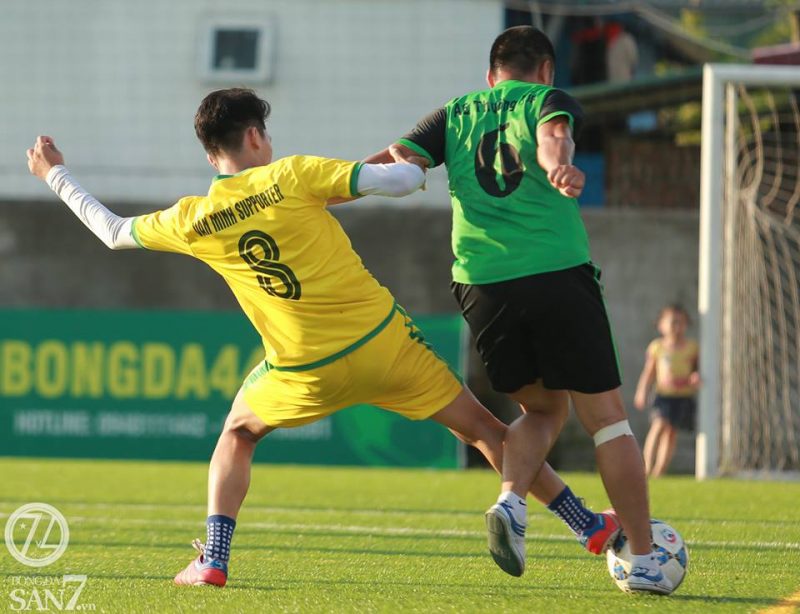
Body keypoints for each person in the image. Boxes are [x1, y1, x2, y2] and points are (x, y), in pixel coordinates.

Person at [27, 88, 616, 588]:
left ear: (213, 156)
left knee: (238, 431)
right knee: (488, 431)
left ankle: (213, 558)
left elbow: (111, 231)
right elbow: (405, 178)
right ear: (256, 136)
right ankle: (588, 525)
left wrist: (54, 173)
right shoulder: (295, 176)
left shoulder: (194, 217)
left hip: (302, 369)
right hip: (386, 345)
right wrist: (417, 152)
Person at [367, 26, 670, 593]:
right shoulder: (545, 101)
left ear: (490, 75)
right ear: (547, 72)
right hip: (554, 272)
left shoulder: (453, 113)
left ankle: (511, 501)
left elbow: (388, 164)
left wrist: (317, 192)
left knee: (542, 410)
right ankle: (647, 558)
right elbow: (554, 133)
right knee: (607, 421)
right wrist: (557, 164)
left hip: (482, 286)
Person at [634, 305, 700, 478]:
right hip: (663, 395)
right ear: (661, 325)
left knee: (671, 433)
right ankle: (647, 466)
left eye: (681, 323)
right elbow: (649, 372)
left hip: (683, 396)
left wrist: (695, 376)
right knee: (658, 426)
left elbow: (696, 368)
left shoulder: (692, 347)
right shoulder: (657, 347)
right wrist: (642, 391)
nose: (677, 328)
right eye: (673, 322)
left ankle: (659, 470)